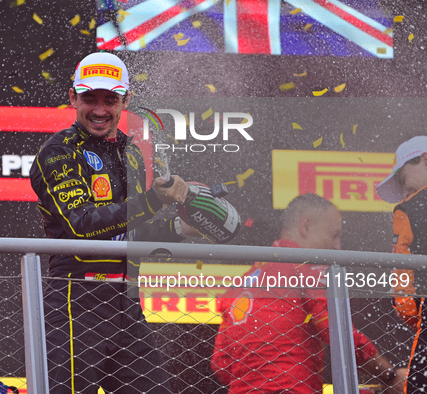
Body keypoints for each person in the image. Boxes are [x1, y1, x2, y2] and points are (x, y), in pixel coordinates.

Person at [30, 52, 195, 393]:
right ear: (73, 97)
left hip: (126, 303)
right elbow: (81, 224)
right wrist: (153, 200)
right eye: (90, 99)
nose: (100, 109)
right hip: (76, 303)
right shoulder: (59, 151)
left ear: (126, 101)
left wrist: (181, 228)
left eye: (111, 99)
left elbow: (126, 235)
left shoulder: (130, 153)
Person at [211, 193, 404, 394]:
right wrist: (389, 376)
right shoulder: (307, 269)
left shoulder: (239, 285)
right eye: (335, 235)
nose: (337, 246)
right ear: (306, 226)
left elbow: (221, 365)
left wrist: (259, 374)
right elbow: (338, 333)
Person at [377, 135, 427, 393]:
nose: (406, 195)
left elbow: (405, 299)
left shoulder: (409, 210)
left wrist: (413, 315)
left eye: (406, 186)